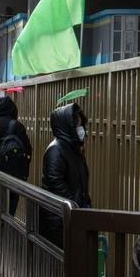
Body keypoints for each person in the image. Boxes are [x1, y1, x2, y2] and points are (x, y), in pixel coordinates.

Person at [39, 103, 90, 245]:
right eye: (76, 125)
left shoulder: (73, 149)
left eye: (81, 125)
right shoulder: (56, 150)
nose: (80, 129)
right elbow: (56, 183)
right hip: (58, 220)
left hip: (70, 215)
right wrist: (74, 205)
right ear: (67, 126)